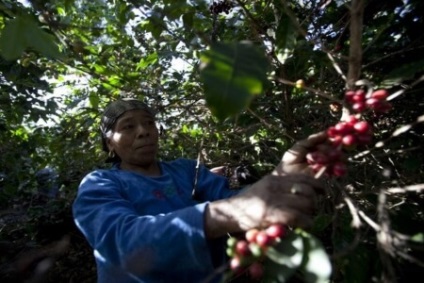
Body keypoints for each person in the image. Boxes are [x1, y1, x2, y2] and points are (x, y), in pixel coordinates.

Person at [72, 98, 327, 283]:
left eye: (149, 123)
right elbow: (122, 242)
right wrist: (226, 214)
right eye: (128, 126)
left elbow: (236, 200)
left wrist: (280, 178)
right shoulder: (100, 184)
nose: (144, 132)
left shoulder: (184, 170)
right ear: (109, 143)